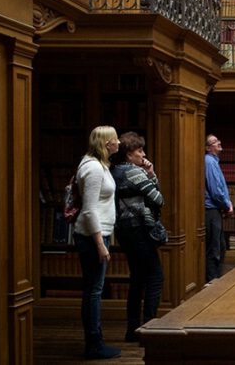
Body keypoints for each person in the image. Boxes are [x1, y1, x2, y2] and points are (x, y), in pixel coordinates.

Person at [110, 132, 164, 343]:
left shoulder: (114, 171)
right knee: (155, 277)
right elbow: (159, 199)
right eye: (139, 150)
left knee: (137, 280)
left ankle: (132, 330)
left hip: (123, 230)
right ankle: (149, 328)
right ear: (128, 154)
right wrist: (151, 174)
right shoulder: (133, 172)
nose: (143, 154)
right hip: (139, 230)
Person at [74, 126, 121, 359]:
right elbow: (90, 209)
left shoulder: (99, 165)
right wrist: (100, 244)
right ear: (105, 144)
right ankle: (94, 344)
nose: (119, 142)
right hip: (93, 235)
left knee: (93, 290)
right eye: (115, 139)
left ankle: (95, 341)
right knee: (94, 291)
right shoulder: (93, 168)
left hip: (98, 234)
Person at [203, 133, 232, 282]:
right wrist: (227, 205)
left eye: (218, 139)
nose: (219, 143)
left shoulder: (213, 161)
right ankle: (212, 282)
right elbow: (215, 190)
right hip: (211, 211)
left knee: (219, 247)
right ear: (208, 148)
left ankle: (215, 280)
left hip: (215, 210)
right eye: (215, 142)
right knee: (215, 249)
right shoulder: (209, 162)